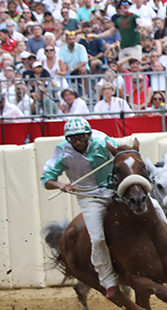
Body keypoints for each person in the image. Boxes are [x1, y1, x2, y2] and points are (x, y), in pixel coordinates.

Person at [40, 117, 124, 297]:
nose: (77, 142)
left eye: (81, 137)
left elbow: (121, 157)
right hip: (89, 198)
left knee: (152, 206)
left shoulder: (103, 141)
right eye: (73, 139)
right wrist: (61, 185)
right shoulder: (63, 150)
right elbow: (46, 179)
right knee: (97, 239)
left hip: (113, 190)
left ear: (88, 135)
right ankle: (108, 280)